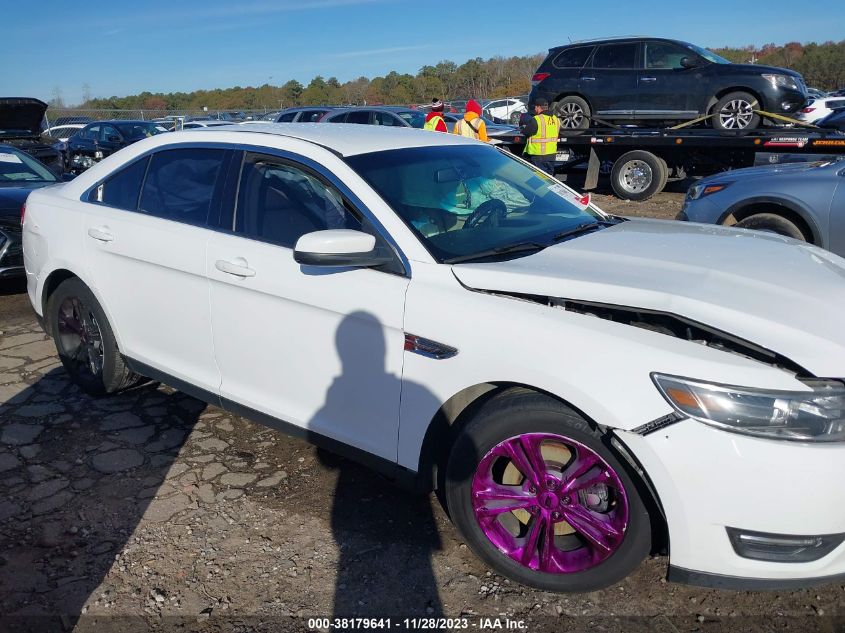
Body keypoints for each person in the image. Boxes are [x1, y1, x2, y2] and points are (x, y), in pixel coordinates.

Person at [521, 97, 560, 175]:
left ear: (538, 107)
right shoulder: (556, 119)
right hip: (552, 155)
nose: (535, 109)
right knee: (549, 179)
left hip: (538, 155)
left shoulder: (537, 119)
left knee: (539, 180)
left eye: (535, 107)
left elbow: (526, 132)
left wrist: (523, 127)